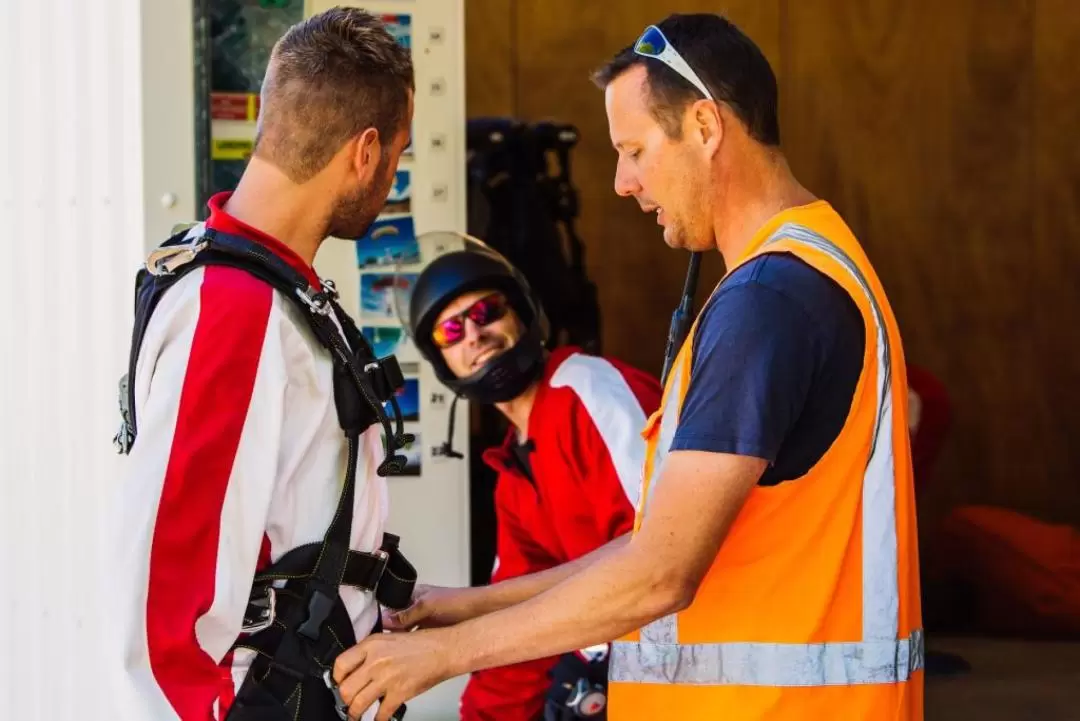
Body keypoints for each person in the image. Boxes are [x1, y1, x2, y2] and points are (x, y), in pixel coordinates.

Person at [332, 12, 924, 721]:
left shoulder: (769, 301)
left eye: (635, 150)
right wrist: (463, 606)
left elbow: (658, 576)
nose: (621, 182)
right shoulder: (811, 266)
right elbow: (653, 545)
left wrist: (439, 656)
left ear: (705, 127)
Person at [108, 8, 417, 721]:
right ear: (364, 152)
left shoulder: (268, 293)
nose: (392, 177)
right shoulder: (235, 311)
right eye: (398, 155)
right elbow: (163, 618)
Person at [403, 241, 662, 720]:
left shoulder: (584, 388)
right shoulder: (513, 475)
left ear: (520, 314)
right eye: (451, 330)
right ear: (444, 364)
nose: (475, 334)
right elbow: (517, 635)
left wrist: (459, 619)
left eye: (485, 311)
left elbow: (659, 551)